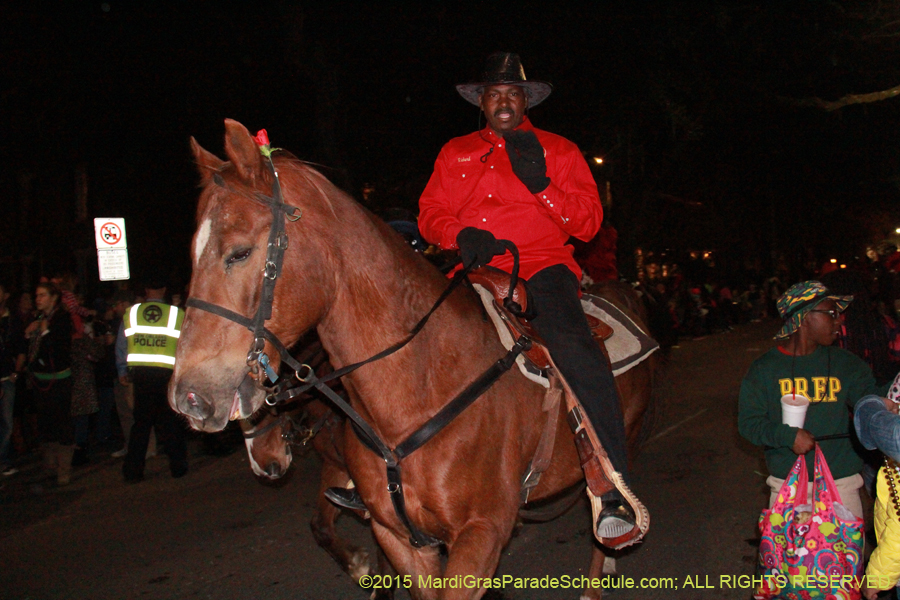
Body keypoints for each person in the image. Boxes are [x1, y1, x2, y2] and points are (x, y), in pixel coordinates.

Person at [416, 52, 645, 547]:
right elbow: (430, 212)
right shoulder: (453, 151)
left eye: (512, 93)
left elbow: (586, 223)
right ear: (482, 101)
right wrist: (457, 234)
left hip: (540, 266)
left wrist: (541, 185)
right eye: (493, 93)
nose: (502, 101)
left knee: (576, 349)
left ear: (525, 100)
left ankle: (611, 486)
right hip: (469, 267)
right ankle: (375, 467)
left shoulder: (560, 151)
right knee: (403, 334)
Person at [738, 280, 887, 520]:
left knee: (844, 557)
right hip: (788, 485)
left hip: (842, 484)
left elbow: (872, 402)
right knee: (789, 557)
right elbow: (749, 424)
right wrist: (788, 436)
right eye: (831, 313)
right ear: (804, 317)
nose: (839, 320)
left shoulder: (847, 364)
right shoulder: (764, 369)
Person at [115, 280, 187, 482]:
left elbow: (122, 345)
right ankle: (178, 466)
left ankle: (133, 471)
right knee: (170, 422)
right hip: (166, 375)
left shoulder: (132, 313)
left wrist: (122, 369)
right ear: (164, 289)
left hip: (141, 376)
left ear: (146, 290)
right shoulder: (176, 314)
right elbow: (185, 345)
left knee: (141, 424)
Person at [25, 282, 75, 486]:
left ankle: (64, 469)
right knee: (45, 423)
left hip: (59, 379)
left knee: (62, 422)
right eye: (37, 295)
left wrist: (45, 333)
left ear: (53, 298)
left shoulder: (62, 318)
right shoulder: (37, 318)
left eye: (42, 295)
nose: (38, 299)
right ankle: (50, 466)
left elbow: (60, 349)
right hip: (40, 379)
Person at [0, 283, 26, 476]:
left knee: (7, 422)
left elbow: (20, 348)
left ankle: (4, 460)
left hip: (7, 377)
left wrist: (16, 372)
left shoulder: (13, 320)